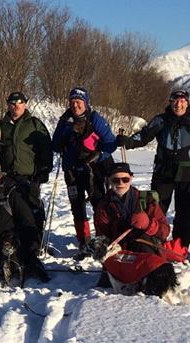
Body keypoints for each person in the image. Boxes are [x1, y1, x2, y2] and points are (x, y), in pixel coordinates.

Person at [116, 90, 190, 249]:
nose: (178, 104)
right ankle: (153, 243)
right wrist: (129, 141)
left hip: (188, 175)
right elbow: (144, 136)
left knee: (184, 213)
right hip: (163, 173)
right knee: (156, 209)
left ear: (187, 103)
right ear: (170, 102)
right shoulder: (161, 120)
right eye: (175, 100)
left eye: (182, 101)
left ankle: (181, 247)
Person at [51, 87, 117, 255]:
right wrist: (65, 130)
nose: (75, 105)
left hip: (93, 171)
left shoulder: (95, 119)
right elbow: (55, 145)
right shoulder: (65, 120)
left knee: (99, 204)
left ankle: (102, 238)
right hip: (72, 171)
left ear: (85, 103)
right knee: (77, 206)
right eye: (72, 101)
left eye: (79, 101)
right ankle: (84, 240)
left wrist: (99, 156)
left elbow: (111, 143)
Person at [92, 163, 173, 290]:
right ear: (109, 180)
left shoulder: (146, 200)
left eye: (125, 179)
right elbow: (101, 235)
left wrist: (148, 224)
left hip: (145, 248)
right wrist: (100, 246)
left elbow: (165, 231)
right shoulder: (104, 205)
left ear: (131, 178)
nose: (121, 183)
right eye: (115, 179)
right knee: (105, 288)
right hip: (119, 252)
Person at [0, 91, 53, 242]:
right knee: (8, 209)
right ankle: (13, 241)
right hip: (7, 176)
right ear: (8, 105)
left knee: (32, 208)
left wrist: (44, 169)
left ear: (25, 104)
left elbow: (46, 149)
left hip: (30, 175)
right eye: (13, 103)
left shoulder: (34, 124)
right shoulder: (1, 126)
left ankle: (35, 241)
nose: (16, 106)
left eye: (20, 102)